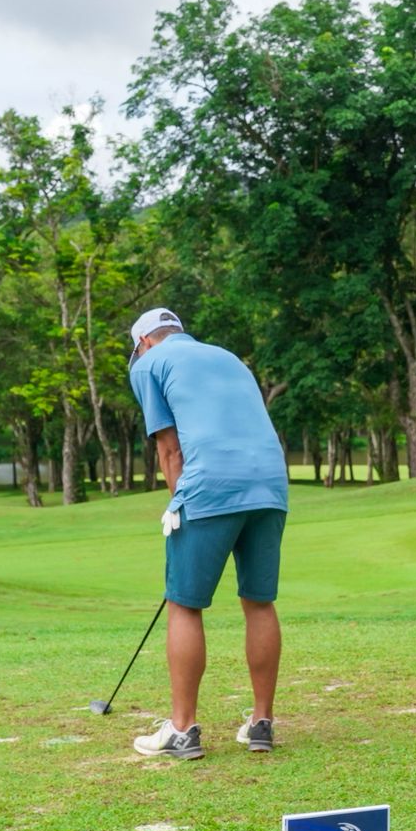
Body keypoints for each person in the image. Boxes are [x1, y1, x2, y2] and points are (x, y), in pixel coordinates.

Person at [123, 307, 290, 761]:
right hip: (270, 485)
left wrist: (179, 504)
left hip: (209, 486)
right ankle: (261, 723)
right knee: (259, 601)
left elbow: (169, 448)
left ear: (144, 343)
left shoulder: (149, 365)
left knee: (184, 604)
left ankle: (182, 730)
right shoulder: (229, 357)